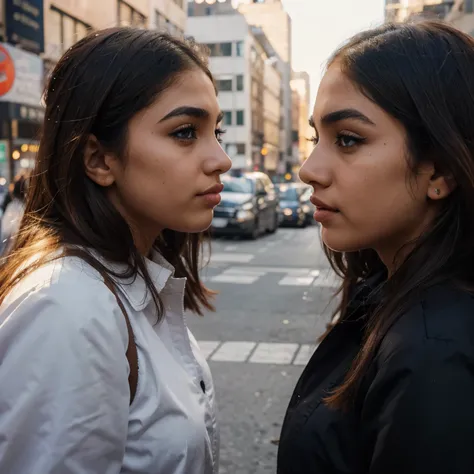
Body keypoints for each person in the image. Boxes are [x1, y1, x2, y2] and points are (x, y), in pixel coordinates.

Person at [0, 27, 231, 473]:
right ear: (99, 160)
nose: (220, 158)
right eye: (186, 132)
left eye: (215, 131)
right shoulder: (67, 306)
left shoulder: (133, 280)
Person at [278, 20, 474, 474]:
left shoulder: (436, 353)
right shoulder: (394, 291)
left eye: (348, 139)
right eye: (315, 138)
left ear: (439, 170)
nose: (309, 169)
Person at [1, 174, 28, 253]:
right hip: (19, 245)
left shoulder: (13, 206)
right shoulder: (24, 206)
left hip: (13, 245)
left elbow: (5, 230)